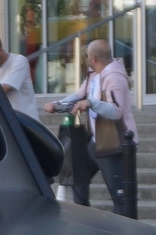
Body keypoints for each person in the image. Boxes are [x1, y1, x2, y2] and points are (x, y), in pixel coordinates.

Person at [53, 40, 137, 218]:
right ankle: (86, 221)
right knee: (78, 178)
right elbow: (79, 94)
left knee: (120, 195)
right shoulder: (94, 74)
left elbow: (116, 111)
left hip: (114, 144)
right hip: (94, 142)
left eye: (87, 56)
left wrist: (91, 103)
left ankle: (126, 232)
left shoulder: (114, 77)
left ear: (93, 58)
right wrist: (58, 104)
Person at [0, 34, 43, 122]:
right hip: (8, 123)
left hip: (27, 122)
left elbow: (5, 89)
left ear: (0, 50)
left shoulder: (19, 61)